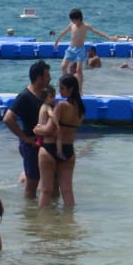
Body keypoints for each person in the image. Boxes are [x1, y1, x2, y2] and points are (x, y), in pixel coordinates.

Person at [3, 60, 52, 200]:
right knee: (32, 185)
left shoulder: (44, 94)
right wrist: (24, 138)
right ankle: (29, 212)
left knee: (47, 181)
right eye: (47, 76)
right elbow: (8, 118)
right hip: (31, 145)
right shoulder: (25, 96)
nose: (50, 78)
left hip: (44, 145)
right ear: (38, 78)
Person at [35, 73, 85, 208]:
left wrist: (37, 130)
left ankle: (42, 220)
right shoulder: (81, 109)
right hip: (68, 150)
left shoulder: (62, 105)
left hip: (49, 148)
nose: (60, 91)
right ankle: (69, 219)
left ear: (71, 89)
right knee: (67, 191)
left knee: (46, 191)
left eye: (62, 88)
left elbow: (48, 130)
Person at [54, 8, 113, 89]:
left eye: (74, 20)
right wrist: (57, 41)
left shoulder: (85, 26)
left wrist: (108, 37)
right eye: (72, 20)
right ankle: (68, 85)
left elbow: (96, 32)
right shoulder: (71, 25)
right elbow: (63, 32)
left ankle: (80, 89)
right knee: (63, 67)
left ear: (79, 18)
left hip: (80, 50)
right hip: (71, 49)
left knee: (79, 70)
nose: (73, 21)